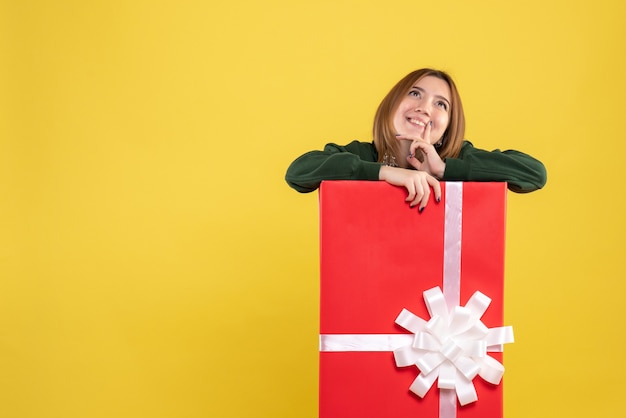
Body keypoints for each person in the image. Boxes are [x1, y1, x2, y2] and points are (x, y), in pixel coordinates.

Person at [285, 68, 547, 212]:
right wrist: (386, 173)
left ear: (448, 126)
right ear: (392, 104)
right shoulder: (363, 155)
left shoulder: (459, 159)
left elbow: (535, 174)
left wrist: (444, 170)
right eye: (414, 93)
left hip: (442, 304)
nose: (424, 108)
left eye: (441, 104)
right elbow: (298, 173)